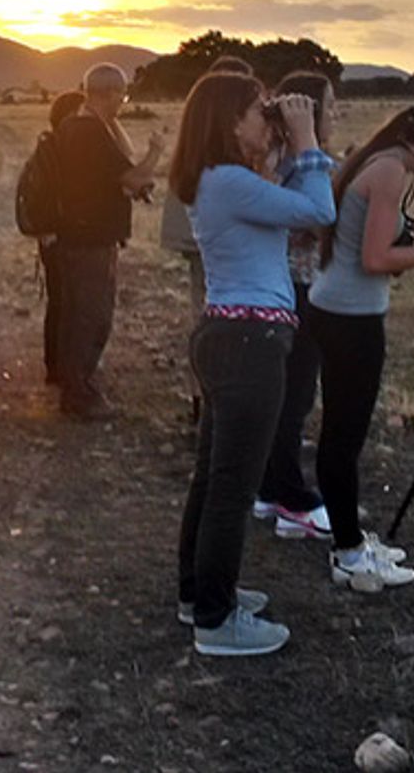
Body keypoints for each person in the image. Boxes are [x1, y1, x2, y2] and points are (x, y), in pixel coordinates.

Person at [171, 72, 335, 656]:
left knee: (213, 480)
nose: (264, 119)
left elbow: (288, 207)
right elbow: (320, 210)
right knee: (232, 490)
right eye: (255, 111)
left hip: (228, 336)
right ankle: (218, 622)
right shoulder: (229, 183)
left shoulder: (220, 181)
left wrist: (283, 148)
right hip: (250, 343)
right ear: (225, 120)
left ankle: (199, 595)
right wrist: (307, 136)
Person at [308, 88, 414, 592]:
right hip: (348, 317)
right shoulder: (389, 171)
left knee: (343, 432)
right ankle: (348, 552)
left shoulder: (382, 160)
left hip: (343, 309)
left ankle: (350, 539)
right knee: (343, 436)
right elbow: (375, 259)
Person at [253, 71, 338, 539]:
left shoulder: (272, 159)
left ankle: (268, 488)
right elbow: (319, 221)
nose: (338, 115)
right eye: (331, 106)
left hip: (286, 286)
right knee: (293, 396)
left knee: (286, 394)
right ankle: (291, 498)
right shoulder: (294, 162)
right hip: (295, 288)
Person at [55, 63, 163, 419]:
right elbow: (132, 179)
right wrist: (155, 152)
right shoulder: (91, 132)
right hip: (92, 239)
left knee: (77, 315)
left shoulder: (73, 125)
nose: (123, 102)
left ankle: (75, 385)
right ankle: (79, 395)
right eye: (122, 94)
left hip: (76, 236)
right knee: (94, 315)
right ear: (109, 93)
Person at [160, 56, 255, 422]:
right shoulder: (219, 146)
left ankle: (201, 398)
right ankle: (214, 400)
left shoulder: (194, 136)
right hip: (218, 246)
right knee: (217, 321)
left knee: (201, 315)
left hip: (197, 245)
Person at [39, 89, 85, 384]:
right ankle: (64, 368)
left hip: (53, 235)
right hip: (60, 236)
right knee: (69, 303)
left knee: (59, 301)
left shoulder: (51, 143)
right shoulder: (66, 148)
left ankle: (55, 366)